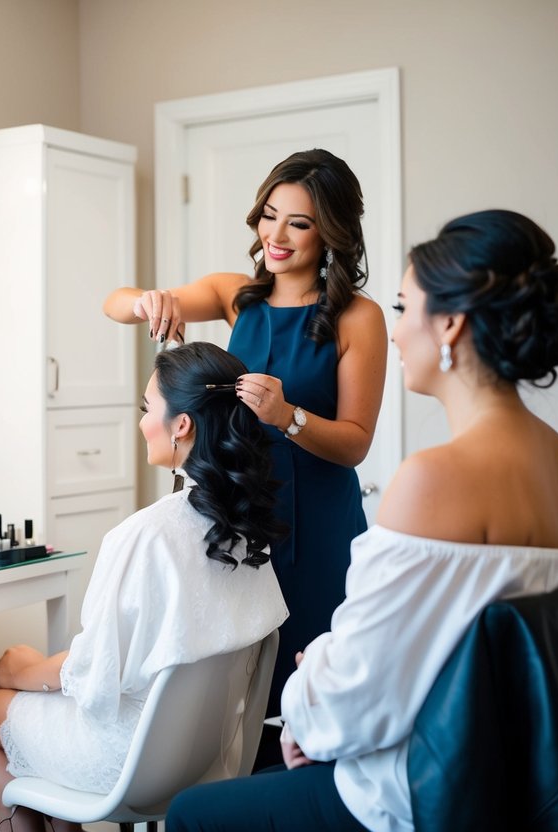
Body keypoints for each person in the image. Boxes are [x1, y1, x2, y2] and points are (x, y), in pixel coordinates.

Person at [165, 209, 558, 832]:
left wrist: (307, 700)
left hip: (423, 788)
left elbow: (354, 701)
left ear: (450, 323)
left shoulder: (434, 479)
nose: (395, 334)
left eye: (404, 310)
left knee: (189, 812)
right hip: (515, 780)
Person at [103, 149, 388, 734]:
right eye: (269, 214)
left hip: (318, 522)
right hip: (241, 517)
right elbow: (113, 303)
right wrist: (145, 302)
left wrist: (288, 417)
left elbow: (356, 442)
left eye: (299, 223)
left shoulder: (359, 317)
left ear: (331, 232)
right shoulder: (239, 298)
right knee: (239, 684)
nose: (276, 235)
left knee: (306, 688)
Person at [0, 342, 289, 832]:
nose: (142, 421)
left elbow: (94, 681)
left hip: (129, 760)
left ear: (181, 424)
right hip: (203, 755)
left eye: (148, 409)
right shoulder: (249, 537)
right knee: (35, 715)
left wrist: (24, 671)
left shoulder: (142, 536)